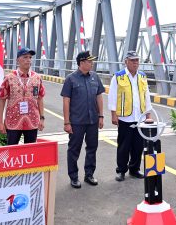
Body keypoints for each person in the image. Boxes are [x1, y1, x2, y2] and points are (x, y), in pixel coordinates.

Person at [61, 51, 105, 189]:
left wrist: (101, 116)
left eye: (92, 61)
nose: (91, 63)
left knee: (92, 148)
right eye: (89, 61)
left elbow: (99, 97)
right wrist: (67, 122)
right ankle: (73, 177)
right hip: (76, 122)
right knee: (74, 149)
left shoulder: (95, 77)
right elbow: (66, 101)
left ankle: (89, 174)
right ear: (81, 63)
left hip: (92, 121)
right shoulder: (71, 79)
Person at [108, 50, 152, 182]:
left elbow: (147, 96)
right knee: (123, 146)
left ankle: (134, 169)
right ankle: (121, 170)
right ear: (126, 61)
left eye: (137, 60)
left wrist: (148, 115)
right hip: (125, 118)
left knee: (138, 146)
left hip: (140, 118)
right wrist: (113, 115)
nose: (135, 63)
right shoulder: (118, 76)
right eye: (132, 60)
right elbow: (112, 96)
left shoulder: (142, 76)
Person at [0, 47, 45, 145]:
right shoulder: (9, 78)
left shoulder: (37, 78)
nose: (28, 60)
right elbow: (1, 101)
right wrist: (0, 122)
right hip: (13, 121)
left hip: (32, 121)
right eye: (25, 57)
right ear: (18, 60)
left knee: (30, 152)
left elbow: (40, 99)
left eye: (30, 57)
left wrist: (42, 118)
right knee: (12, 152)